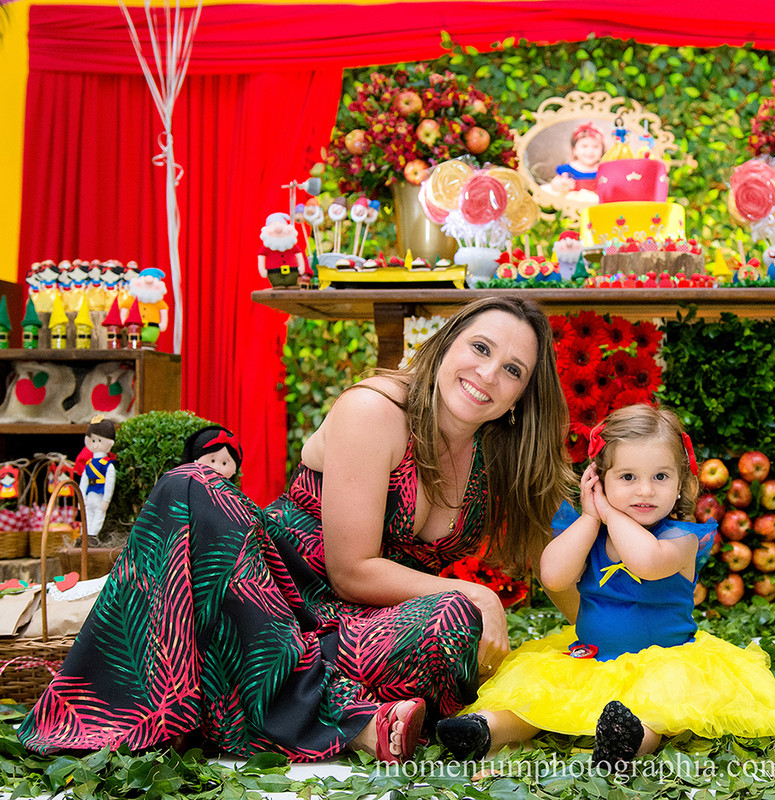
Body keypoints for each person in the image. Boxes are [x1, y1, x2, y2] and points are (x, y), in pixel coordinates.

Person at [19, 296, 575, 765]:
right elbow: (350, 570)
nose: (487, 374)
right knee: (192, 489)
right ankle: (349, 722)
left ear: (521, 397)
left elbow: (563, 558)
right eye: (480, 348)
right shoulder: (376, 411)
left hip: (351, 632)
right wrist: (478, 593)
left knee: (450, 620)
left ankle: (262, 709)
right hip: (266, 600)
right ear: (448, 344)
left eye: (512, 370)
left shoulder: (494, 457)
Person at [436, 404, 775, 770]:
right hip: (591, 657)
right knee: (540, 698)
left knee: (653, 711)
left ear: (682, 484)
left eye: (660, 477)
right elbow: (553, 576)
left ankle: (626, 742)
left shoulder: (681, 538)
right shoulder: (590, 533)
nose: (645, 490)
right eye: (627, 477)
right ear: (598, 480)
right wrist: (591, 518)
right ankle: (485, 729)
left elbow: (645, 562)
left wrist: (610, 513)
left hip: (664, 662)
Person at [78, 416, 117, 543]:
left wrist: (106, 499)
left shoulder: (108, 465)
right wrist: (81, 498)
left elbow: (110, 483)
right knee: (87, 516)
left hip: (100, 495)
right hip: (90, 495)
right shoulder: (88, 464)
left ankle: (92, 536)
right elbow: (83, 482)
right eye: (93, 440)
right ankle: (85, 535)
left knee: (98, 516)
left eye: (99, 441)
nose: (96, 445)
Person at [549, 122, 605, 195]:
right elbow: (554, 186)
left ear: (602, 150)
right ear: (575, 150)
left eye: (595, 147)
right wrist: (562, 183)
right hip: (573, 202)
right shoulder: (567, 170)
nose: (590, 151)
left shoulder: (603, 169)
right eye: (584, 146)